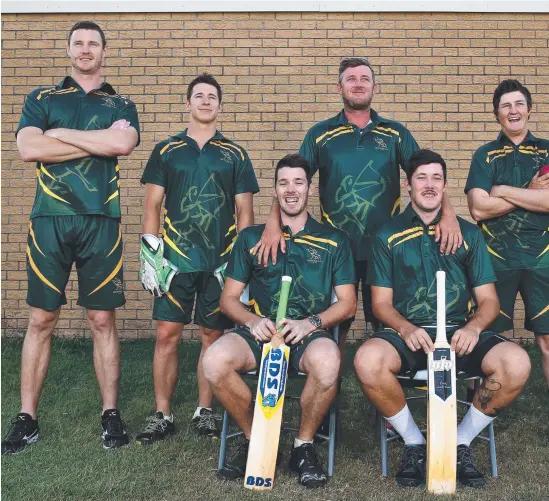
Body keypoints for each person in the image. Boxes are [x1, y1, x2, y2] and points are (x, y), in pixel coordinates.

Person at [253, 57, 463, 350]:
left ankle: (386, 379)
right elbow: (294, 180)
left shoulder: (395, 134)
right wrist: (273, 224)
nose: (358, 84)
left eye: (364, 78)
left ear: (374, 87)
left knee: (386, 318)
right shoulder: (320, 134)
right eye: (351, 79)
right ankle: (330, 386)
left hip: (386, 246)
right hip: (336, 248)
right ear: (339, 87)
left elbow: (424, 174)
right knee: (336, 324)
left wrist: (448, 214)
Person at [354, 149, 531, 488]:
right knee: (366, 360)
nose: (429, 185)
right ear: (408, 185)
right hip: (408, 333)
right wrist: (405, 328)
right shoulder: (386, 235)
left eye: (437, 178)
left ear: (446, 185)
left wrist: (474, 327)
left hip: (458, 332)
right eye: (422, 177)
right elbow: (381, 304)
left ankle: (458, 441)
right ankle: (415, 444)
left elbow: (489, 301)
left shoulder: (469, 234)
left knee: (517, 363)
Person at [2, 21, 140, 454]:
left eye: (93, 43)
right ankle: (27, 416)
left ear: (104, 51)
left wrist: (59, 136)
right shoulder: (42, 98)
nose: (85, 49)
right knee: (41, 319)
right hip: (50, 220)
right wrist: (98, 142)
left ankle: (110, 414)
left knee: (102, 320)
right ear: (68, 50)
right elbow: (29, 149)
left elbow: (125, 144)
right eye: (78, 43)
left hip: (102, 220)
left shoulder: (122, 101)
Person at [202, 154, 357, 488]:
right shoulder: (251, 239)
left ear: (310, 189)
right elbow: (228, 299)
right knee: (214, 361)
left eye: (298, 182)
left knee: (329, 363)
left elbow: (347, 303)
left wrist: (310, 323)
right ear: (274, 189)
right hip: (261, 332)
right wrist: (252, 320)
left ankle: (303, 446)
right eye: (283, 182)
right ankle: (256, 436)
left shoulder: (334, 240)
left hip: (307, 334)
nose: (291, 190)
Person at [135, 74, 259, 444]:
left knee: (212, 335)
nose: (205, 102)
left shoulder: (235, 154)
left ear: (220, 106)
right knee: (166, 336)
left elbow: (245, 215)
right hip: (174, 262)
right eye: (199, 96)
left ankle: (204, 411)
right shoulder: (166, 150)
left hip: (219, 263)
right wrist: (150, 252)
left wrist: (240, 264)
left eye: (212, 97)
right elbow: (152, 205)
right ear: (187, 103)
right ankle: (162, 413)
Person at [465, 79, 549, 447]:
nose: (513, 110)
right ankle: (475, 415)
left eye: (519, 104)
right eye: (505, 105)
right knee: (483, 339)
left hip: (541, 260)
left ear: (529, 109)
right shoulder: (485, 155)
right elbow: (478, 208)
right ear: (496, 113)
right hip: (494, 262)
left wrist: (502, 191)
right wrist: (530, 192)